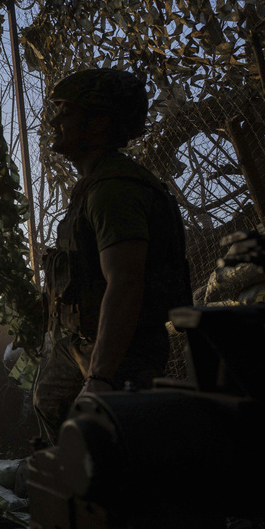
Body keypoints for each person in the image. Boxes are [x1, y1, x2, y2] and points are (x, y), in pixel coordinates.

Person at [33, 68, 192, 444]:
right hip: (82, 344)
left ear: (99, 122)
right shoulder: (93, 188)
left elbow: (125, 281)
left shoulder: (114, 191)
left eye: (66, 112)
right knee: (54, 412)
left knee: (112, 452)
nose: (55, 122)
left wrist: (100, 378)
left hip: (119, 356)